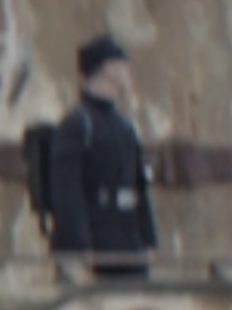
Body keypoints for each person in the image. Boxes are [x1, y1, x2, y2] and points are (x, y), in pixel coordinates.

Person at [50, 32, 158, 280]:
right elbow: (67, 190)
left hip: (128, 239)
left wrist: (148, 238)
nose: (128, 71)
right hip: (96, 238)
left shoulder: (124, 127)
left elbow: (139, 184)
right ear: (108, 68)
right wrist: (78, 245)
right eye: (122, 64)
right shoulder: (78, 123)